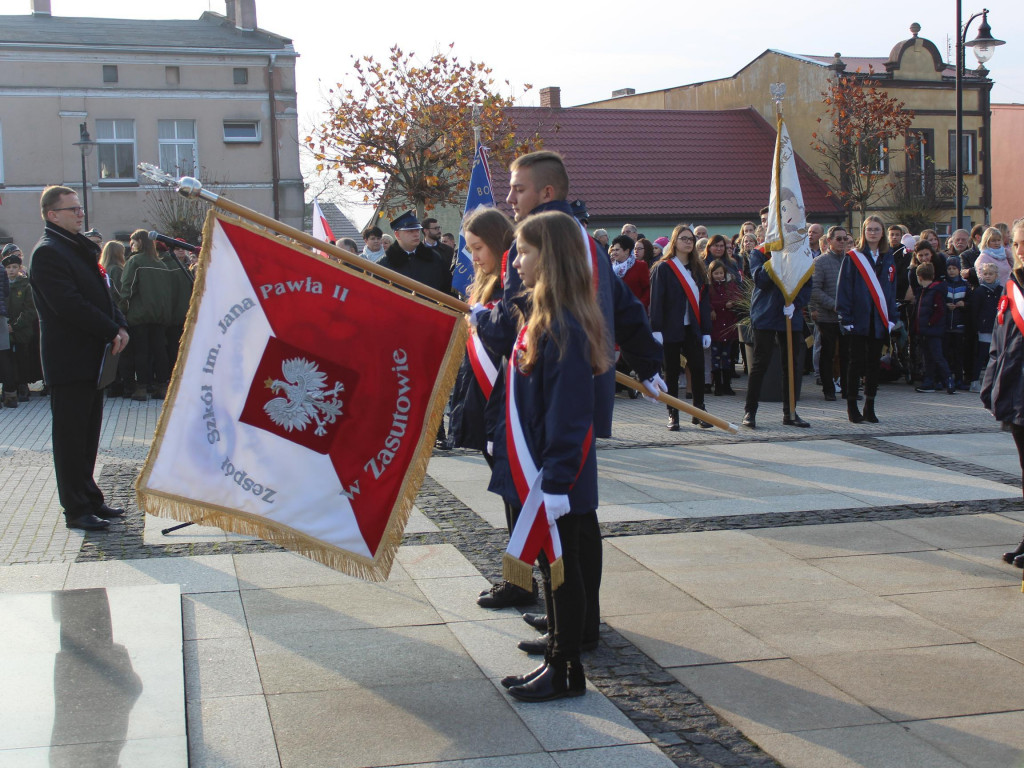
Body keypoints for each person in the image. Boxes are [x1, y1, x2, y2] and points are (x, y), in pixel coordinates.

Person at [472, 150, 663, 624]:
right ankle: (566, 612)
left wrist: (480, 318)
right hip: (574, 394)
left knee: (558, 513)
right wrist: (649, 362)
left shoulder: (542, 241)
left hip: (549, 400)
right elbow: (624, 310)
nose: (509, 198)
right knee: (563, 514)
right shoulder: (585, 241)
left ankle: (572, 623)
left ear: (546, 193)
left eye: (518, 189)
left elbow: (515, 321)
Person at [491, 210, 610, 702]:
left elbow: (569, 416)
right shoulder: (539, 316)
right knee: (552, 568)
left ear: (552, 258)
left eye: (524, 252)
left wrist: (557, 482)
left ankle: (565, 668)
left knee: (563, 573)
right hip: (545, 474)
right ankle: (558, 657)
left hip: (558, 481)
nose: (515, 262)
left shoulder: (564, 328)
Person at [29, 185, 129, 531]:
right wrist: (109, 330)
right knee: (70, 439)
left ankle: (91, 497)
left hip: (92, 359)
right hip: (69, 361)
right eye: (72, 209)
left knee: (88, 435)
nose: (79, 213)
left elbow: (103, 294)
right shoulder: (48, 252)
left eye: (79, 208)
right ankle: (75, 508)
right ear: (52, 215)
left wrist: (120, 324)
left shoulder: (78, 247)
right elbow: (68, 304)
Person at [448, 207, 514, 462]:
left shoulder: (512, 287)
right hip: (480, 398)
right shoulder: (483, 286)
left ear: (497, 243)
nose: (473, 257)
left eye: (478, 248)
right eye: (470, 249)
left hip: (501, 403)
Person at [982, 221, 1024, 566]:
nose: (1020, 250)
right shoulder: (1012, 285)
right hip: (1015, 390)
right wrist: (990, 383)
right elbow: (1000, 341)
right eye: (1017, 244)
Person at [742, 239, 812, 429]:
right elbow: (761, 280)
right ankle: (750, 411)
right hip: (766, 312)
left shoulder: (800, 251)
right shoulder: (759, 252)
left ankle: (790, 413)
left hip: (790, 313)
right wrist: (777, 256)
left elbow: (807, 283)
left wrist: (796, 304)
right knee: (760, 363)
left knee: (791, 365)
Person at [649, 224, 712, 430]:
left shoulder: (698, 268)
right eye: (684, 238)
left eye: (691, 239)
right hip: (669, 328)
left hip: (692, 328)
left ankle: (699, 412)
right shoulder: (663, 268)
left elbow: (704, 302)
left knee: (697, 368)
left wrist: (706, 330)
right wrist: (656, 328)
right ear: (674, 242)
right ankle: (672, 413)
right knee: (672, 372)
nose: (688, 242)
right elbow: (656, 300)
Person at [836, 215, 897, 424]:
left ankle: (870, 406)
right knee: (855, 363)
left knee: (874, 364)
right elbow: (844, 288)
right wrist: (845, 316)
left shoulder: (888, 257)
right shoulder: (853, 257)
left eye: (877, 229)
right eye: (869, 229)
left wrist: (891, 317)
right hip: (858, 319)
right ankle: (852, 406)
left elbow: (891, 289)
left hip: (879, 320)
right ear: (864, 232)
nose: (873, 233)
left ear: (883, 232)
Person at [120, 230, 173, 401]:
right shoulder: (163, 265)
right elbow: (168, 292)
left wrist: (123, 310)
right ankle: (163, 386)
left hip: (139, 314)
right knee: (160, 351)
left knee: (141, 352)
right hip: (160, 315)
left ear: (140, 242)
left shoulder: (135, 261)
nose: (131, 245)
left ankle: (141, 388)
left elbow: (127, 288)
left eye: (133, 241)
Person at [811, 226, 850, 401]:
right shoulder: (820, 262)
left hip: (848, 317)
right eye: (838, 239)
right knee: (827, 354)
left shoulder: (850, 260)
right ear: (829, 241)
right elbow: (814, 290)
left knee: (846, 354)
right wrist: (834, 305)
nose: (842, 242)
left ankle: (848, 388)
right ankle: (828, 389)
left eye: (845, 239)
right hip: (828, 317)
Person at [4, 247, 41, 402]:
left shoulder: (26, 284)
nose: (11, 270)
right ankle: (9, 388)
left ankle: (23, 386)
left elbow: (30, 310)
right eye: (8, 267)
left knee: (22, 358)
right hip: (4, 328)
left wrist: (16, 325)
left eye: (14, 267)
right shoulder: (2, 284)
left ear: (20, 268)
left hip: (22, 330)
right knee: (7, 361)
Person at [914, 262, 953, 394]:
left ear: (919, 277)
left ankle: (948, 380)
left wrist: (930, 323)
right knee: (929, 357)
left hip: (932, 330)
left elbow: (939, 311)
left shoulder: (934, 291)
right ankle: (929, 381)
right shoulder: (925, 291)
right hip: (926, 330)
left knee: (937, 356)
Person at [707, 259, 740, 395]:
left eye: (721, 273)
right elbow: (707, 301)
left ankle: (727, 384)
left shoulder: (730, 285)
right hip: (716, 326)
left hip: (728, 325)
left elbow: (738, 297)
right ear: (711, 274)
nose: (719, 276)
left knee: (726, 357)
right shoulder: (709, 288)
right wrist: (714, 309)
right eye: (716, 273)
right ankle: (718, 385)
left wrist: (733, 303)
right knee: (715, 357)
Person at [969, 262, 1002, 392]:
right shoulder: (979, 291)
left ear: (996, 275)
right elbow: (974, 311)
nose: (988, 276)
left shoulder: (1001, 290)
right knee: (982, 354)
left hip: (998, 328)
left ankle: (995, 381)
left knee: (997, 355)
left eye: (990, 274)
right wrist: (977, 326)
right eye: (985, 274)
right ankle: (975, 381)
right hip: (984, 328)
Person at [943, 256, 969, 390]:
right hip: (947, 325)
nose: (952, 271)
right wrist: (945, 305)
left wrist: (963, 304)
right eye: (949, 269)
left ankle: (959, 379)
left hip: (959, 326)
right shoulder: (944, 284)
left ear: (959, 269)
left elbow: (970, 302)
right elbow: (940, 300)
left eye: (954, 268)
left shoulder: (965, 285)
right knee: (946, 354)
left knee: (959, 355)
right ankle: (946, 379)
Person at [608, 235, 650, 309]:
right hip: (616, 312)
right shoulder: (610, 267)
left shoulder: (640, 266)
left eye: (617, 250)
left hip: (635, 312)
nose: (614, 252)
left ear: (627, 251)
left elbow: (648, 289)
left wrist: (640, 305)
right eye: (613, 250)